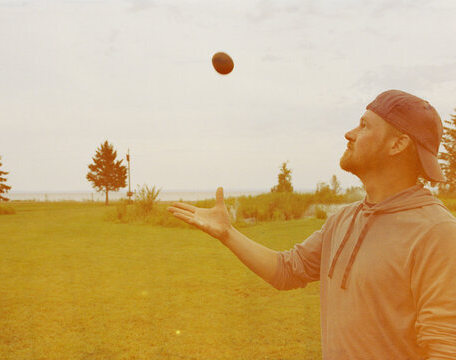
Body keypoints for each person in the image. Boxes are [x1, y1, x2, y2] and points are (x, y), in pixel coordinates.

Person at [167, 90, 456, 359]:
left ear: (398, 144)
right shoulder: (343, 220)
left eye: (364, 126)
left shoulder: (436, 232)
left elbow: (445, 348)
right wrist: (228, 234)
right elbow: (286, 270)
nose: (349, 134)